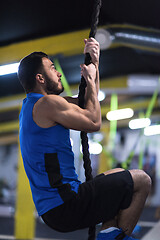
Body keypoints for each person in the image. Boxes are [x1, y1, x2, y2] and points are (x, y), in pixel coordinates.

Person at [18, 38, 151, 240]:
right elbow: (93, 121)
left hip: (55, 209)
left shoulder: (32, 106)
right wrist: (89, 79)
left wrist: (95, 64)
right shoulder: (47, 104)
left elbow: (87, 102)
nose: (59, 72)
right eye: (52, 68)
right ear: (40, 78)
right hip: (66, 204)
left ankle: (109, 234)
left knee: (118, 176)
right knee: (143, 180)